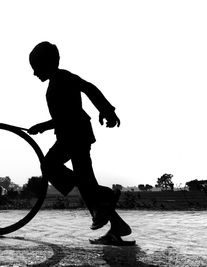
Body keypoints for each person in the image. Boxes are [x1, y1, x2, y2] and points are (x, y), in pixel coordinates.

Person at [28, 41, 133, 245]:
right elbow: (64, 116)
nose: (34, 73)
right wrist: (43, 126)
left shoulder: (63, 78)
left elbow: (89, 89)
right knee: (86, 184)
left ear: (48, 63)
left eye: (36, 67)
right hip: (72, 135)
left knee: (50, 165)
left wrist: (107, 110)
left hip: (75, 135)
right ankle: (117, 226)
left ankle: (104, 194)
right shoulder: (56, 81)